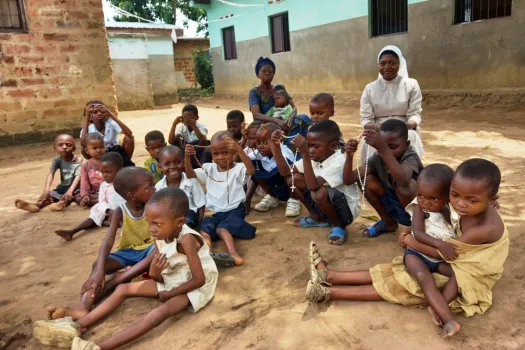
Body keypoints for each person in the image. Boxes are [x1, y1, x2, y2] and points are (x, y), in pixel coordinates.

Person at [306, 159, 508, 338]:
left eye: (470, 200)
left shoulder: (482, 227)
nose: (460, 204)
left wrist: (411, 242)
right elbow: (438, 235)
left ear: (492, 200)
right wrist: (415, 238)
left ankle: (327, 292)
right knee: (398, 271)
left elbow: (448, 253)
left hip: (467, 271)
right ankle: (330, 276)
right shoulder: (470, 203)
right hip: (449, 260)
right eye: (455, 195)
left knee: (403, 284)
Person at [34, 187, 219, 350]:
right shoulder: (161, 233)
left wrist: (171, 293)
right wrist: (154, 275)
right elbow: (163, 274)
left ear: (179, 222)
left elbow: (198, 280)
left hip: (194, 286)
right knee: (123, 289)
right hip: (176, 276)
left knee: (159, 314)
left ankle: (100, 347)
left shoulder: (187, 239)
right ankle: (76, 326)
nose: (151, 229)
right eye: (149, 222)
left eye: (157, 223)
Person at [45, 167, 156, 322]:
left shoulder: (154, 205)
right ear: (132, 195)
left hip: (150, 249)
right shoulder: (120, 210)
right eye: (149, 187)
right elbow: (108, 240)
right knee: (98, 265)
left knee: (157, 252)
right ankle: (84, 306)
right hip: (129, 251)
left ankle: (118, 279)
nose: (155, 188)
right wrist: (98, 272)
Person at [273, 120, 360, 245]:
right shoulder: (316, 156)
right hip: (326, 201)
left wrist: (305, 154)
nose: (311, 150)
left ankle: (338, 226)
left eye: (316, 146)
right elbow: (286, 172)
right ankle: (317, 217)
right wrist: (275, 146)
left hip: (346, 211)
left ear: (333, 146)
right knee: (293, 179)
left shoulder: (339, 161)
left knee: (318, 193)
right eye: (308, 146)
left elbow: (313, 186)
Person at [401, 164, 460, 333]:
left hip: (439, 258)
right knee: (425, 279)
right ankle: (448, 320)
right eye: (420, 195)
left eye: (433, 198)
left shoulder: (452, 209)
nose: (425, 202)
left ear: (449, 196)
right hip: (416, 255)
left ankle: (437, 306)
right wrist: (440, 244)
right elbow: (418, 233)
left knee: (461, 275)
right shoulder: (420, 209)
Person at [185, 131, 256, 267]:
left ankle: (233, 253)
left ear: (233, 152)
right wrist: (187, 157)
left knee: (222, 229)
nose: (220, 157)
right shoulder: (209, 168)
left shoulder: (239, 168)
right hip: (215, 213)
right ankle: (209, 254)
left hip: (234, 210)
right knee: (204, 231)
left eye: (225, 153)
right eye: (215, 154)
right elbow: (189, 173)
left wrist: (240, 150)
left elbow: (251, 171)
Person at [344, 119, 423, 237]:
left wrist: (384, 149)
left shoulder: (409, 156)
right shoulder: (378, 157)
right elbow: (349, 179)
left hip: (421, 212)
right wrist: (349, 156)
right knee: (365, 179)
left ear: (406, 145)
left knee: (406, 186)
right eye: (383, 146)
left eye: (393, 147)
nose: (388, 151)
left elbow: (403, 180)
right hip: (395, 205)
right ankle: (388, 222)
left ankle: (419, 229)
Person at [359, 45, 424, 165]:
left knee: (411, 136)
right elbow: (365, 119)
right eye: (382, 63)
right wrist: (375, 128)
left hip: (404, 128)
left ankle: (411, 173)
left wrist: (405, 126)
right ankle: (371, 174)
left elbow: (415, 114)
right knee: (368, 138)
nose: (387, 67)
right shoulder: (369, 88)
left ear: (400, 64)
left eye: (392, 63)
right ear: (378, 65)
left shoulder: (411, 85)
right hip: (378, 128)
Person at [55, 152, 126, 241]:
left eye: (108, 172)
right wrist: (108, 211)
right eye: (102, 172)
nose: (104, 175)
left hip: (124, 212)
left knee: (125, 220)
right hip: (109, 210)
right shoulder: (104, 185)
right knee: (95, 214)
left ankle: (104, 222)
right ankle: (72, 231)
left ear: (120, 170)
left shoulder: (125, 183)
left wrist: (119, 213)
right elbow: (102, 201)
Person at [249, 57, 311, 152]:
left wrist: (290, 118)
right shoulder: (255, 92)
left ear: (274, 74)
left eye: (270, 71)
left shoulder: (279, 88)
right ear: (258, 74)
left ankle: (311, 147)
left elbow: (293, 107)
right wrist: (276, 121)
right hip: (267, 124)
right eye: (264, 71)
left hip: (285, 120)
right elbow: (256, 115)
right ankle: (290, 152)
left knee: (304, 118)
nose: (267, 73)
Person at [15, 134, 82, 213]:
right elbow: (51, 174)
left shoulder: (78, 161)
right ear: (55, 148)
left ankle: (60, 204)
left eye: (68, 145)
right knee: (50, 195)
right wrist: (46, 190)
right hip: (63, 188)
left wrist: (70, 191)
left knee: (69, 197)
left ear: (74, 148)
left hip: (77, 188)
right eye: (60, 145)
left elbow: (78, 177)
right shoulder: (57, 160)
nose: (64, 147)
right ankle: (37, 205)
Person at [245, 123, 301, 217]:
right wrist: (242, 143)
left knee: (290, 173)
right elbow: (243, 161)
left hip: (290, 189)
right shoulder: (258, 153)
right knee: (254, 168)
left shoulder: (285, 151)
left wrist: (273, 146)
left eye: (266, 142)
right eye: (258, 142)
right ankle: (272, 197)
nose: (261, 146)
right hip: (275, 189)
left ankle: (293, 200)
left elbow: (286, 171)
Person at [155, 146, 206, 230]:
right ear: (160, 167)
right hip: (169, 219)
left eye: (177, 162)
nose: (173, 166)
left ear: (184, 162)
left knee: (186, 218)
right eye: (167, 164)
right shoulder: (159, 187)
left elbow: (201, 206)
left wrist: (198, 226)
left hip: (189, 216)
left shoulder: (191, 182)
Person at [80, 100, 135, 167]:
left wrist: (110, 114)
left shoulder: (111, 123)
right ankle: (95, 164)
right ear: (90, 116)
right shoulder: (88, 129)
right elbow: (83, 143)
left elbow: (129, 133)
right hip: (99, 153)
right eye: (95, 112)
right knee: (83, 149)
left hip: (115, 151)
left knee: (129, 138)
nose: (99, 114)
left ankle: (126, 162)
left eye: (102, 111)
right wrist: (87, 118)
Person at [79, 133, 106, 208]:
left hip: (108, 190)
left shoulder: (109, 161)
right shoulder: (85, 165)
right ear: (87, 151)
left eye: (102, 147)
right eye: (94, 148)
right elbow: (84, 182)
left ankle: (95, 202)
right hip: (95, 192)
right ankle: (95, 201)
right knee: (78, 197)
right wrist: (85, 194)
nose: (99, 150)